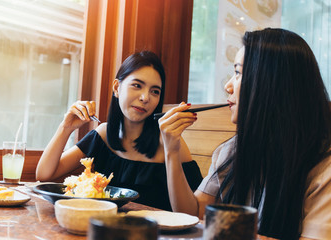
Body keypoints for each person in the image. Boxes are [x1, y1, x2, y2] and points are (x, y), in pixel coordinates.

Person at [159, 28, 331, 240]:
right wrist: (171, 149)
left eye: (239, 73)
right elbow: (194, 214)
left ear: (272, 84)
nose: (228, 86)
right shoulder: (234, 149)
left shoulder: (324, 168)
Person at [35, 51, 203, 211]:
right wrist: (66, 127)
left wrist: (172, 150)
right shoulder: (103, 134)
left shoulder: (172, 143)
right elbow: (45, 174)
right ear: (117, 87)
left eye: (155, 91)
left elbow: (191, 213)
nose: (145, 97)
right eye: (137, 85)